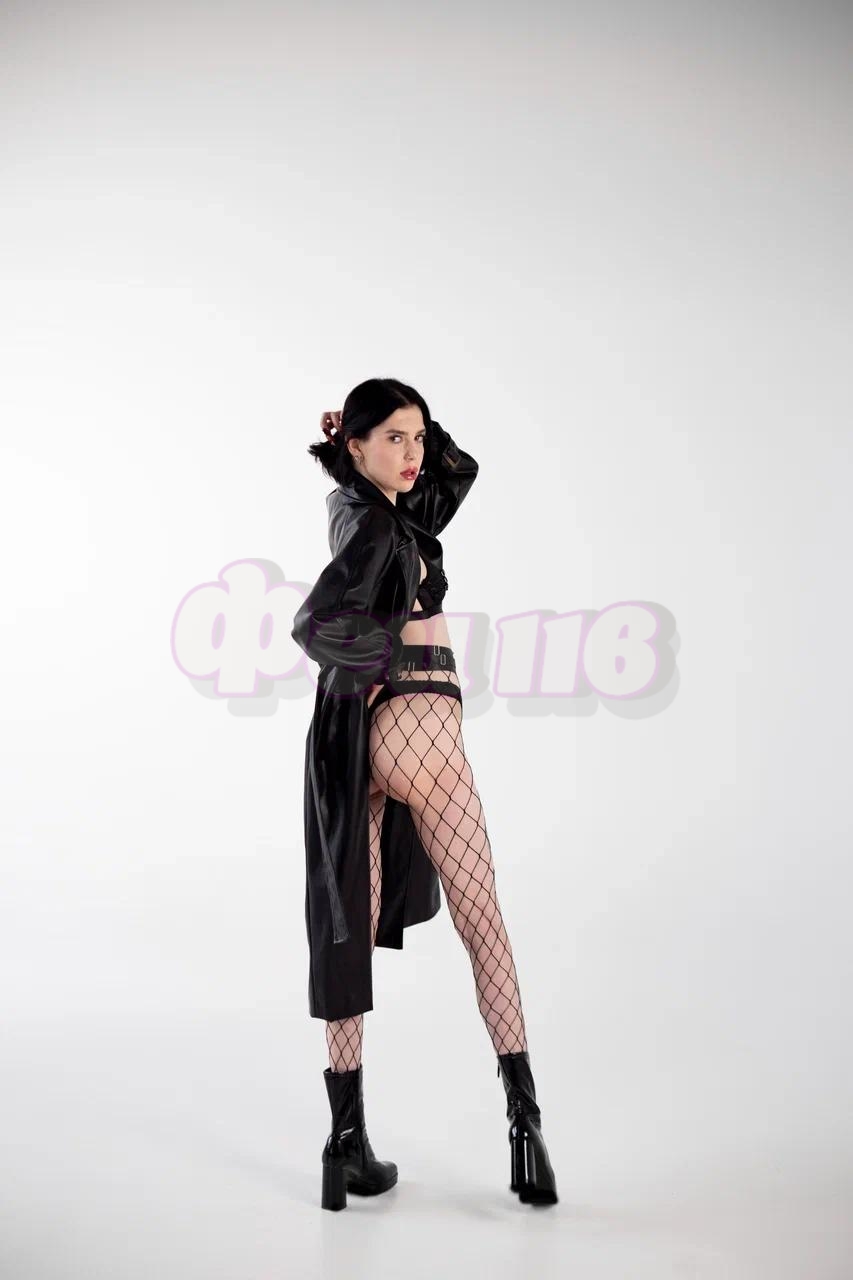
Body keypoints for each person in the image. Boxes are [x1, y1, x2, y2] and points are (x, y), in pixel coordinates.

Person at [291, 377, 557, 1210]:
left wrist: (353, 447)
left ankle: (345, 1144)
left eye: (416, 436)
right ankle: (525, 1128)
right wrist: (374, 663)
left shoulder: (370, 510)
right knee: (484, 923)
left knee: (350, 929)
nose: (414, 454)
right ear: (359, 446)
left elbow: (452, 472)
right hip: (420, 721)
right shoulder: (378, 526)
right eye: (395, 438)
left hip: (358, 741)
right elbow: (312, 623)